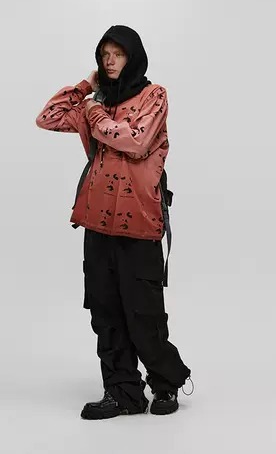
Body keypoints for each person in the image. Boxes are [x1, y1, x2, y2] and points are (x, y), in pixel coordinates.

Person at [36, 25, 192, 420]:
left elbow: (135, 141)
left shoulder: (154, 97)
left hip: (139, 221)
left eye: (117, 54)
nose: (109, 61)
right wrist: (84, 88)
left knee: (143, 311)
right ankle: (123, 393)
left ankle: (166, 382)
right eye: (103, 54)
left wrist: (92, 112)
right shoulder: (97, 101)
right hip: (97, 220)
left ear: (133, 57)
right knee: (104, 310)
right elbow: (47, 117)